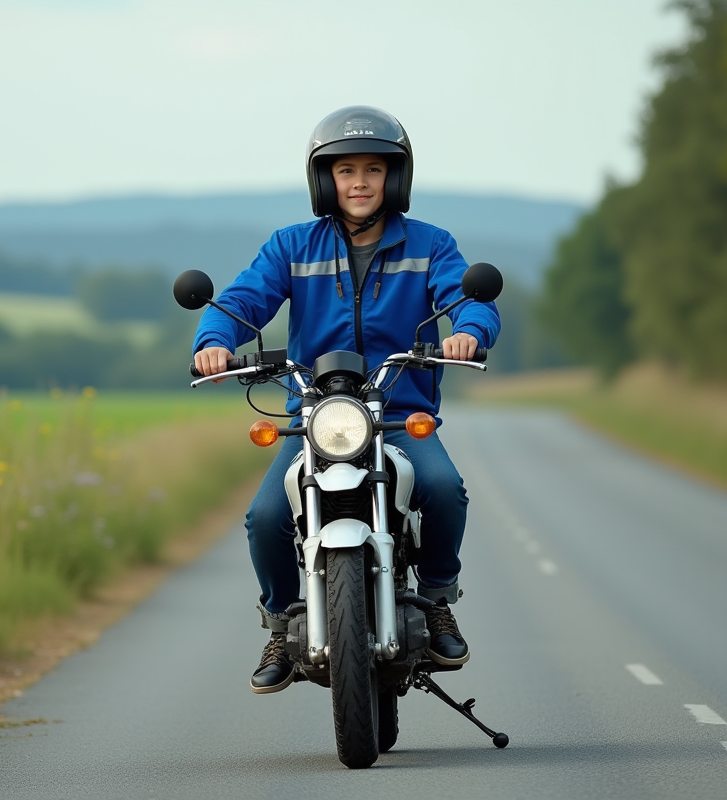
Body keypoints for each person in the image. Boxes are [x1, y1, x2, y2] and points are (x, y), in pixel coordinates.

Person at [192, 106, 501, 694]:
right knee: (266, 517)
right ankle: (283, 624)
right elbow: (241, 300)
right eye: (345, 171)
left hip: (395, 411)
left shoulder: (432, 245)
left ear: (397, 178)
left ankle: (437, 600)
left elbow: (469, 300)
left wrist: (469, 330)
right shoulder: (292, 246)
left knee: (442, 488)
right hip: (317, 417)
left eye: (374, 170)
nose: (360, 182)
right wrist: (214, 341)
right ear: (323, 181)